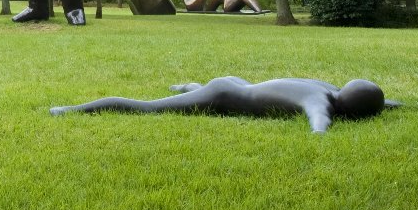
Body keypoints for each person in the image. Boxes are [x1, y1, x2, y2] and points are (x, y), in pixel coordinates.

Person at [49, 76, 398, 133]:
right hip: (224, 94)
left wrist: (393, 103)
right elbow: (318, 121)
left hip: (235, 86)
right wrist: (320, 135)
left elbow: (383, 101)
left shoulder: (326, 89)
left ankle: (188, 86)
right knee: (147, 107)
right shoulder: (319, 98)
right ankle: (71, 110)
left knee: (202, 91)